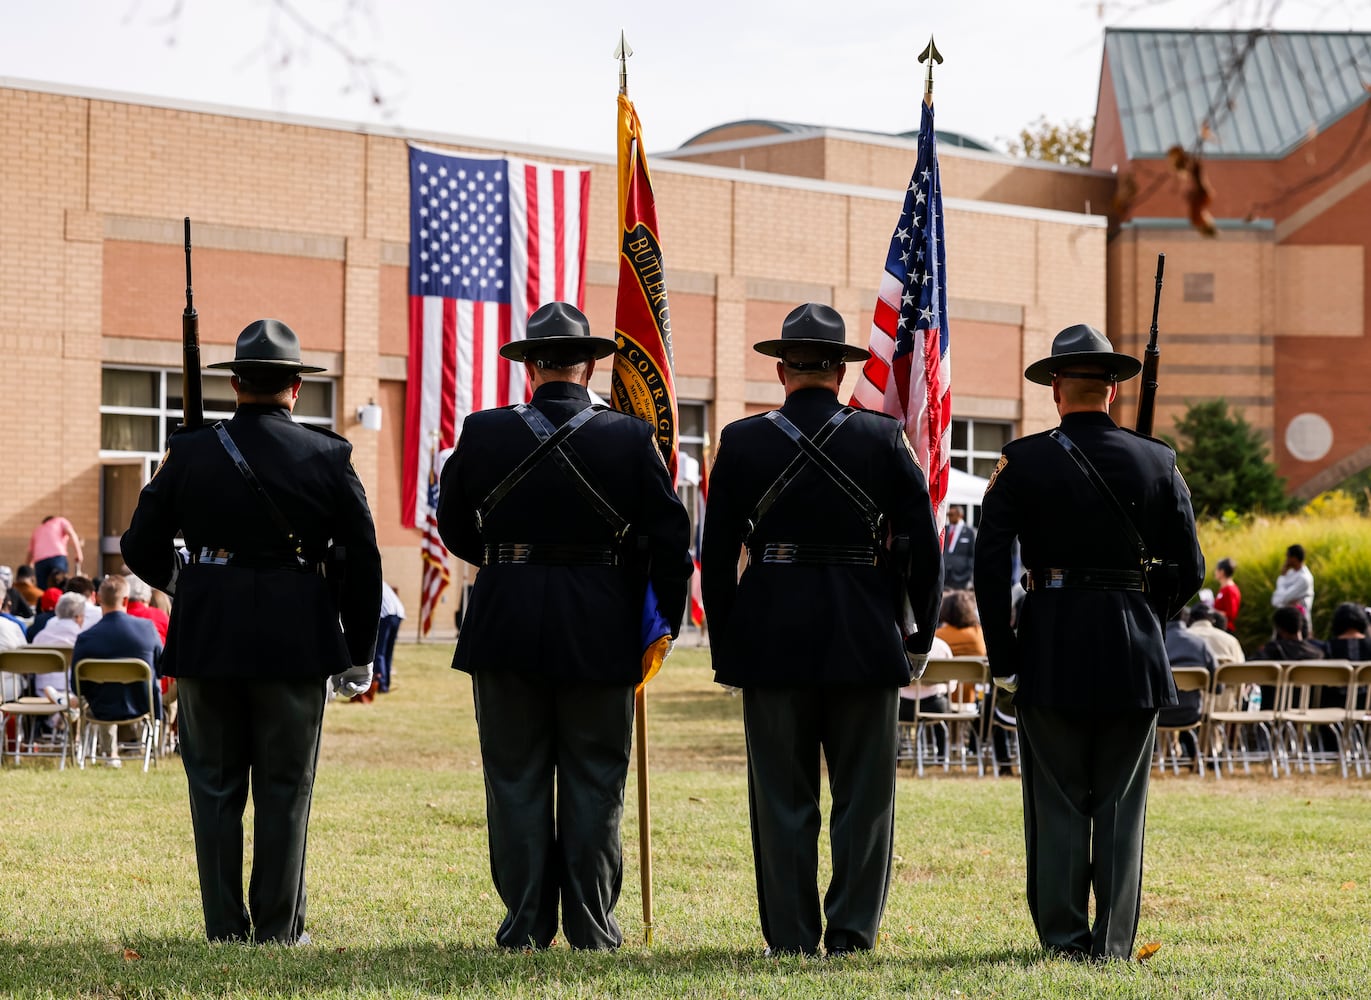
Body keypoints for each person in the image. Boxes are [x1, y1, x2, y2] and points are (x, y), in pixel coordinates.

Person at [437, 302, 691, 951]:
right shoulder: (631, 437)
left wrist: (509, 560)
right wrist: (657, 614)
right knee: (595, 778)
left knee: (514, 778)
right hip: (600, 624)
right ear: (589, 365)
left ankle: (523, 923)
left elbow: (456, 526)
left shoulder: (483, 430)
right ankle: (590, 923)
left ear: (530, 368)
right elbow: (671, 536)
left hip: (504, 619)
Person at [122, 317, 382, 945]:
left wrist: (188, 583)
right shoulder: (328, 454)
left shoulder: (189, 451)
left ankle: (222, 927)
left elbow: (138, 546)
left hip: (210, 633)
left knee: (213, 786)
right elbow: (364, 556)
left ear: (235, 384)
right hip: (296, 638)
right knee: (286, 788)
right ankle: (277, 927)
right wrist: (359, 649)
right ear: (296, 387)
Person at [702, 303, 942, 957]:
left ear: (781, 369)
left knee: (781, 797)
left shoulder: (743, 441)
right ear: (840, 372)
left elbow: (716, 555)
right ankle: (851, 930)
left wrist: (728, 646)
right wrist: (919, 630)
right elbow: (922, 544)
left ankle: (789, 933)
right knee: (864, 798)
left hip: (768, 632)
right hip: (864, 631)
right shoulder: (882, 438)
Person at [974, 323, 1203, 962]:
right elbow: (1192, 568)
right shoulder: (1158, 459)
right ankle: (1115, 941)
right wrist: (1141, 612)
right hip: (1133, 645)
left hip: (1049, 640)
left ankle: (1064, 936)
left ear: (1054, 388)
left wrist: (1005, 654)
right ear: (1112, 390)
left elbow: (989, 567)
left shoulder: (1021, 460)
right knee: (1122, 804)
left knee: (1058, 798)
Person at [70, 575, 163, 765]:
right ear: (126, 600)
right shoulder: (147, 629)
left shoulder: (85, 638)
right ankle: (147, 748)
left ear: (98, 599)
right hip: (142, 704)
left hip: (100, 708)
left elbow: (76, 685)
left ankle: (110, 754)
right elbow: (160, 670)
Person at [31, 592, 87, 703]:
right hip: (73, 689)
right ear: (78, 617)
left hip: (42, 690)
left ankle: (60, 708)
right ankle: (65, 707)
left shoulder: (40, 636)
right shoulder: (82, 638)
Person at [27, 515, 84, 589]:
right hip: (57, 557)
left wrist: (28, 571)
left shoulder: (37, 529)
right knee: (61, 585)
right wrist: (78, 552)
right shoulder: (60, 521)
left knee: (42, 589)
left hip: (40, 561)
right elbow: (72, 534)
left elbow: (30, 553)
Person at [1271, 544, 1314, 627]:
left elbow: (1283, 599)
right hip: (1285, 622)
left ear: (1294, 558)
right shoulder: (1290, 573)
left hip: (1299, 624)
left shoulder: (1304, 579)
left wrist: (1282, 577)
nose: (1286, 560)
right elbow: (1275, 601)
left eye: (1288, 557)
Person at [374, 580, 405, 694]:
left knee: (379, 652)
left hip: (386, 614)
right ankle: (385, 683)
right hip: (398, 613)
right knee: (388, 652)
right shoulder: (381, 580)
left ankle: (381, 684)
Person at [942, 504, 976, 590]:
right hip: (945, 577)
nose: (949, 517)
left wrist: (968, 575)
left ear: (960, 515)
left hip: (961, 577)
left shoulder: (970, 532)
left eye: (951, 515)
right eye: (948, 515)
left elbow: (972, 555)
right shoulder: (945, 529)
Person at [1211, 557, 1241, 634]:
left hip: (1225, 629)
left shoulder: (1230, 590)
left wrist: (1212, 611)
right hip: (1218, 627)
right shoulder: (1224, 588)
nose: (1215, 572)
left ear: (1222, 572)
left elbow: (1231, 614)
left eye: (1217, 570)